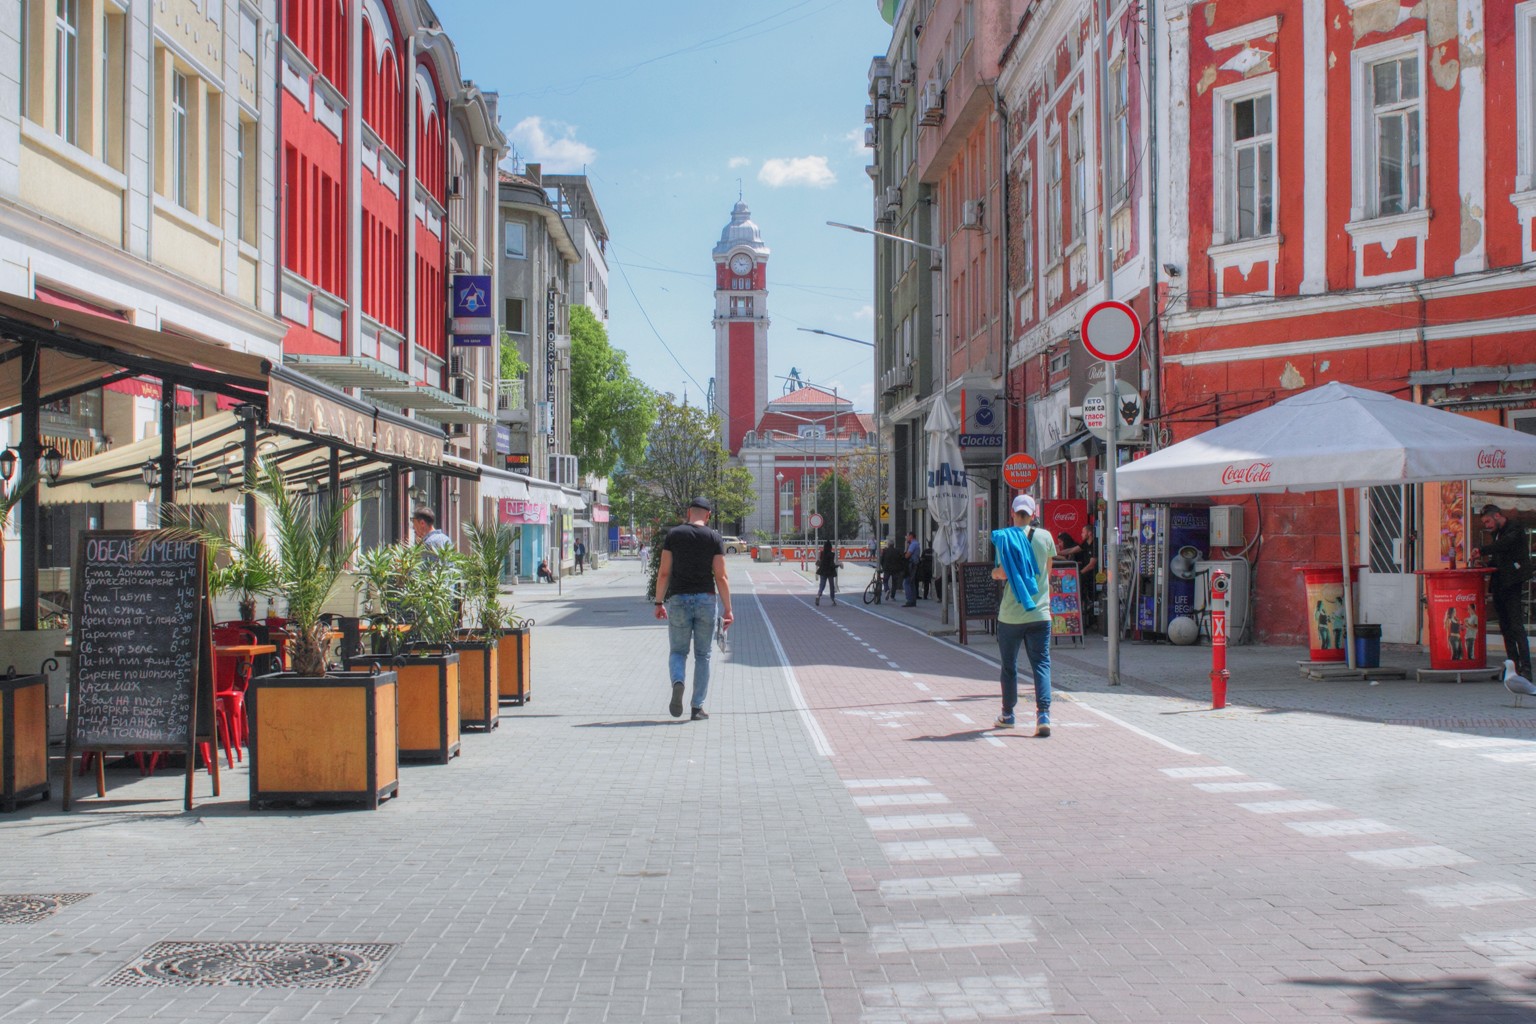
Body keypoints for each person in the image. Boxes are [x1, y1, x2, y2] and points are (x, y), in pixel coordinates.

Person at [654, 496, 734, 721]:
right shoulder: (714, 537)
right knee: (703, 655)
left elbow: (664, 572)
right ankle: (697, 707)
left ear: (689, 512)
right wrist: (728, 609)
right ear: (708, 515)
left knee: (678, 651)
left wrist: (659, 602)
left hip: (679, 599)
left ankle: (678, 681)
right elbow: (721, 576)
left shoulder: (674, 535)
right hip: (706, 601)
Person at [990, 494, 1057, 737]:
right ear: (1033, 514)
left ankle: (1008, 715)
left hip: (1011, 615)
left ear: (1012, 513)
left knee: (1009, 665)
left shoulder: (1005, 538)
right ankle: (1043, 715)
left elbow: (1002, 573)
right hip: (1040, 612)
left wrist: (994, 574)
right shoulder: (1045, 537)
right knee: (1041, 663)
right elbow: (1048, 572)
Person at [1474, 503, 1533, 679]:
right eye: (1485, 523)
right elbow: (1499, 558)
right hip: (1499, 583)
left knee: (1516, 626)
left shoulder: (1514, 529)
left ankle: (1526, 668)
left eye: (1488, 521)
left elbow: (1505, 546)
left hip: (1512, 582)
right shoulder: (1497, 533)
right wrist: (1486, 565)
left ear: (1497, 516)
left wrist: (1482, 550)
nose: (1487, 525)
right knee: (1505, 627)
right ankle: (1512, 667)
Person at [1076, 522, 1100, 632]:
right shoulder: (1086, 543)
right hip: (1086, 577)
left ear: (1089, 533)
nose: (1081, 534)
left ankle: (1093, 620)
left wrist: (1079, 573)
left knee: (1091, 597)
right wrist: (1058, 552)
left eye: (1083, 532)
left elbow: (1092, 564)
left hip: (1094, 577)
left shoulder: (1095, 545)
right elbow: (1074, 549)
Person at [814, 540, 839, 606]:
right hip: (830, 572)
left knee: (822, 585)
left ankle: (818, 595)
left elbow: (820, 560)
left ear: (824, 547)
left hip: (822, 571)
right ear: (830, 547)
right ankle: (833, 600)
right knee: (831, 586)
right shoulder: (832, 554)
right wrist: (838, 565)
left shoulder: (822, 553)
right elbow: (831, 564)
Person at [902, 530, 921, 607]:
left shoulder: (913, 544)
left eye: (907, 536)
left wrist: (906, 548)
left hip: (911, 565)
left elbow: (907, 555)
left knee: (906, 583)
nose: (906, 537)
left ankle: (909, 600)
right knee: (911, 583)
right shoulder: (915, 544)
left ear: (911, 536)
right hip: (914, 565)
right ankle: (913, 600)